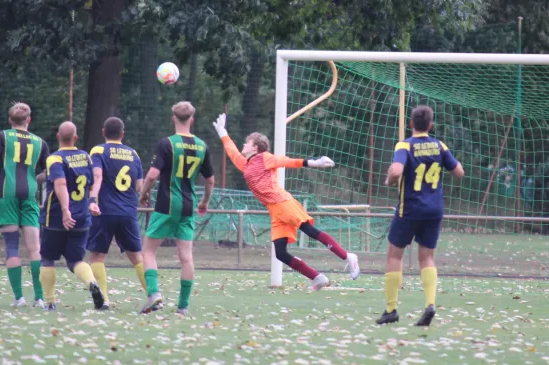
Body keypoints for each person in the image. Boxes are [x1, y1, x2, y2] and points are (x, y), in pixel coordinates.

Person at [212, 114, 360, 290]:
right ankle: (318, 278)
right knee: (281, 253)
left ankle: (347, 256)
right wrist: (222, 132)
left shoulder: (264, 157)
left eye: (247, 142)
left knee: (310, 231)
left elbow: (285, 161)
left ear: (256, 147)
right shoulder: (246, 164)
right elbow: (232, 151)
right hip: (275, 210)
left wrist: (313, 163)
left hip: (282, 202)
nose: (243, 145)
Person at [376, 105, 464, 326]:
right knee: (427, 258)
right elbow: (459, 172)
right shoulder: (440, 145)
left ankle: (391, 309)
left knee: (394, 256)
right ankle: (430, 304)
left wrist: (389, 180)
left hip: (410, 209)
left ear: (411, 124)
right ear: (430, 125)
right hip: (434, 210)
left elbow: (396, 171)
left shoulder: (405, 145)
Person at [139, 102, 215, 316]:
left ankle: (153, 294)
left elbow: (153, 175)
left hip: (166, 204)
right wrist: (205, 202)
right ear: (192, 119)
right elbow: (210, 180)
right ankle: (183, 307)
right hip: (188, 206)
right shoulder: (202, 146)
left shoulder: (166, 144)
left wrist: (143, 193)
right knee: (186, 258)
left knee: (149, 251)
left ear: (173, 118)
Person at [0, 102, 50, 307]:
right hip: (29, 196)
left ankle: (19, 298)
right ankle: (40, 298)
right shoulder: (40, 142)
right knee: (35, 249)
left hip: (8, 194)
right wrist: (34, 179)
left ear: (9, 120)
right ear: (29, 120)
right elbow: (47, 172)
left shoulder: (1, 136)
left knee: (12, 247)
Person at [39, 121, 105, 311]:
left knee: (48, 258)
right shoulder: (85, 156)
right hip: (82, 216)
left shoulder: (54, 159)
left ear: (58, 137)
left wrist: (66, 210)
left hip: (58, 216)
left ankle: (50, 302)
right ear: (75, 138)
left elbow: (60, 184)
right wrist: (92, 202)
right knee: (76, 260)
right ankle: (91, 283)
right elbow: (91, 184)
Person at [87, 117, 146, 310]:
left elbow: (97, 176)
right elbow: (139, 186)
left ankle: (104, 299)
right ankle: (153, 294)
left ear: (104, 132)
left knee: (97, 256)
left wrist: (92, 200)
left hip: (104, 211)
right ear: (122, 134)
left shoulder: (98, 151)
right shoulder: (133, 153)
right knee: (137, 258)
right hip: (128, 212)